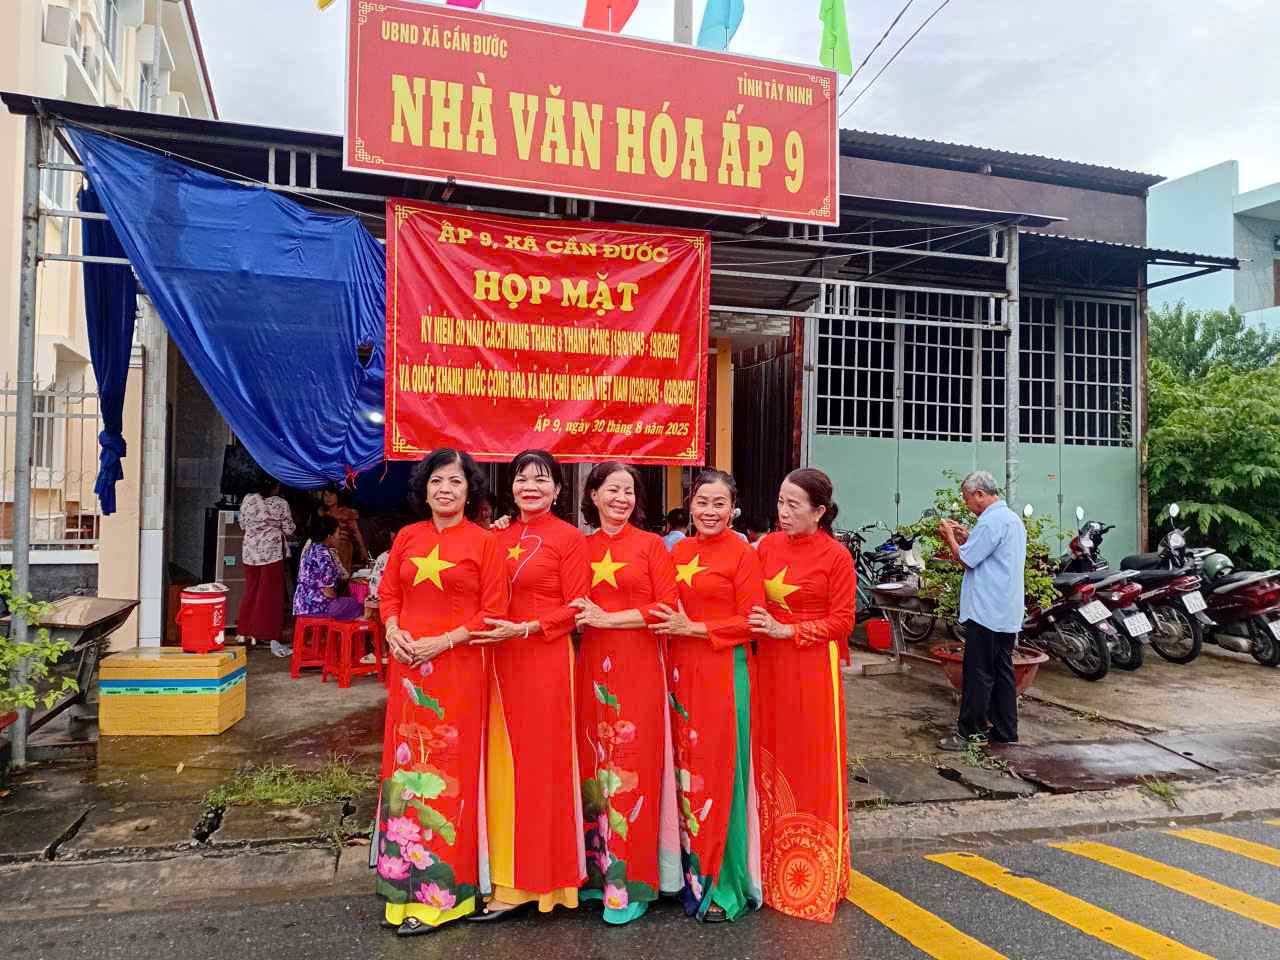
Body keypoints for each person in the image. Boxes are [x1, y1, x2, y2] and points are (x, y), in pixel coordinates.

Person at [374, 449, 508, 937]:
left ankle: (447, 895)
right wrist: (391, 629)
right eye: (437, 481)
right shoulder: (408, 538)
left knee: (449, 771)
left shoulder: (484, 543)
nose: (445, 489)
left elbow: (493, 611)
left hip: (460, 670)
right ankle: (400, 888)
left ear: (469, 491)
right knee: (407, 769)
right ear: (424, 489)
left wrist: (445, 640)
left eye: (455, 481)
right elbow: (389, 593)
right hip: (409, 672)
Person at [470, 450, 590, 921]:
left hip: (544, 660)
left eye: (541, 480)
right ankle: (504, 873)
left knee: (541, 770)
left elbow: (577, 607)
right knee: (501, 768)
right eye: (522, 479)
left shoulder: (570, 538)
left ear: (559, 490)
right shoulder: (496, 536)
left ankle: (541, 881)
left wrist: (524, 629)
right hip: (498, 662)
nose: (530, 487)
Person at [568, 462, 681, 924]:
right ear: (592, 495)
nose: (621, 498)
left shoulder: (651, 545)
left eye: (629, 491)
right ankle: (596, 876)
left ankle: (631, 881)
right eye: (611, 489)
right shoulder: (578, 545)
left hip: (637, 665)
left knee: (632, 766)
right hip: (589, 666)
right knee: (593, 763)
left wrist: (608, 619)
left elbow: (667, 606)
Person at [651, 469, 764, 923]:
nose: (710, 512)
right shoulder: (676, 550)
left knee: (722, 774)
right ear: (690, 505)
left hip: (723, 671)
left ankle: (726, 884)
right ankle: (687, 875)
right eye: (702, 502)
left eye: (720, 503)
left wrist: (693, 628)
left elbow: (752, 620)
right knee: (685, 773)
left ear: (733, 507)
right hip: (678, 673)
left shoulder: (743, 553)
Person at [748, 468, 855, 922]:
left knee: (811, 763)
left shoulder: (836, 557)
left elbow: (842, 622)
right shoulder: (766, 546)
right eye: (780, 502)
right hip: (767, 668)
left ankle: (814, 873)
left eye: (794, 505)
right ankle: (765, 869)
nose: (783, 512)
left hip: (812, 671)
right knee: (766, 758)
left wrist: (786, 629)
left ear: (820, 512)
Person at [937, 470, 1027, 751]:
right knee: (1002, 671)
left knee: (978, 673)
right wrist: (967, 535)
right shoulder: (1010, 519)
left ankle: (969, 733)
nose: (966, 504)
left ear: (980, 494)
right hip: (1005, 610)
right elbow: (985, 553)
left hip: (986, 610)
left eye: (967, 498)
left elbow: (966, 559)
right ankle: (1005, 731)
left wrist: (950, 536)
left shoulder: (991, 522)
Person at [238, 477, 295, 657]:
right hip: (271, 553)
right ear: (276, 487)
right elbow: (289, 529)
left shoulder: (248, 499)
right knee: (270, 596)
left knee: (251, 592)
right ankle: (269, 635)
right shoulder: (280, 503)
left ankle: (245, 632)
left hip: (250, 552)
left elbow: (242, 524)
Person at [320, 485, 368, 576]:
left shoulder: (346, 512)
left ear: (338, 496)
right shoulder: (322, 514)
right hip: (326, 549)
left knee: (343, 575)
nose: (328, 498)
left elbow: (356, 532)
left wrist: (363, 549)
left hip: (343, 548)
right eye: (325, 495)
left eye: (331, 495)